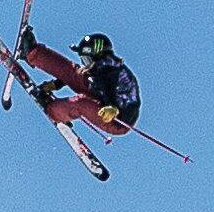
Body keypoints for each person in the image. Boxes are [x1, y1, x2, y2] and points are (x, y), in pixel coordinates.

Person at [14, 29, 143, 140]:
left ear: (96, 56)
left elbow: (130, 102)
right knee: (75, 73)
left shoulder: (118, 74)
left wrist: (114, 109)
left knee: (82, 103)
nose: (85, 63)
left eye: (87, 59)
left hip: (117, 120)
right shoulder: (99, 69)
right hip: (104, 101)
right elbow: (78, 78)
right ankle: (33, 53)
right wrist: (55, 84)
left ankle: (53, 110)